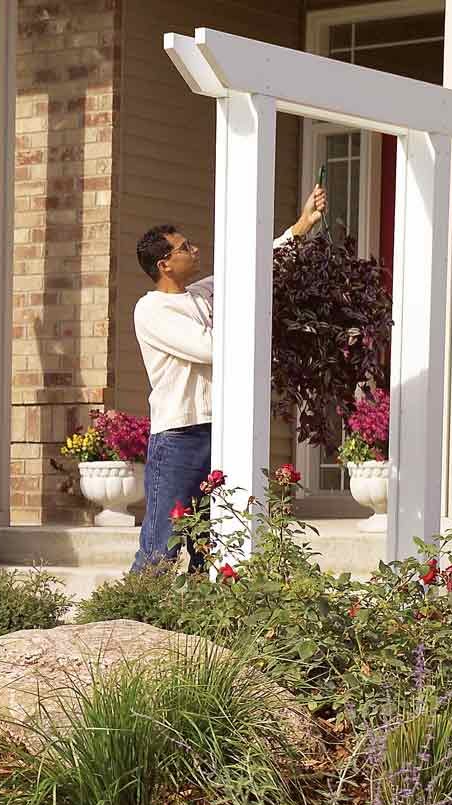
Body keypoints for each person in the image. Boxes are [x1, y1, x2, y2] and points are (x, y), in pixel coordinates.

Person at [130, 185, 327, 571]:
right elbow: (212, 349)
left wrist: (302, 225)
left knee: (208, 545)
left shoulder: (199, 296)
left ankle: (197, 609)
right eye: (185, 247)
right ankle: (130, 609)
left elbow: (249, 270)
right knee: (160, 546)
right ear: (164, 264)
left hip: (215, 432)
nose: (195, 250)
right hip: (179, 438)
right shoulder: (152, 310)